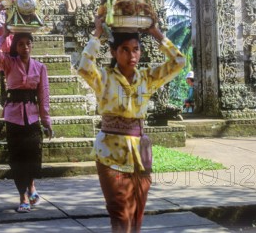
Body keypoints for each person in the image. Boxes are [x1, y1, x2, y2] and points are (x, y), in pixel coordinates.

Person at [74, 15, 185, 232]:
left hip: (140, 154)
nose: (131, 55)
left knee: (136, 215)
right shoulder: (104, 78)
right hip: (110, 154)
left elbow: (179, 62)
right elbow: (84, 67)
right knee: (120, 213)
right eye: (125, 49)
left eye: (135, 49)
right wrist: (97, 33)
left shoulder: (147, 78)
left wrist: (156, 33)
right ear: (114, 52)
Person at [0, 31, 54, 213]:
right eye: (20, 44)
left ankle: (31, 185)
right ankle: (23, 196)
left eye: (28, 44)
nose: (25, 47)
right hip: (13, 117)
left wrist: (46, 122)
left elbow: (44, 96)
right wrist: (5, 33)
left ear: (32, 46)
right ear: (15, 47)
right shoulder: (8, 63)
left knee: (32, 155)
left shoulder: (40, 67)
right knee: (17, 158)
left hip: (32, 117)